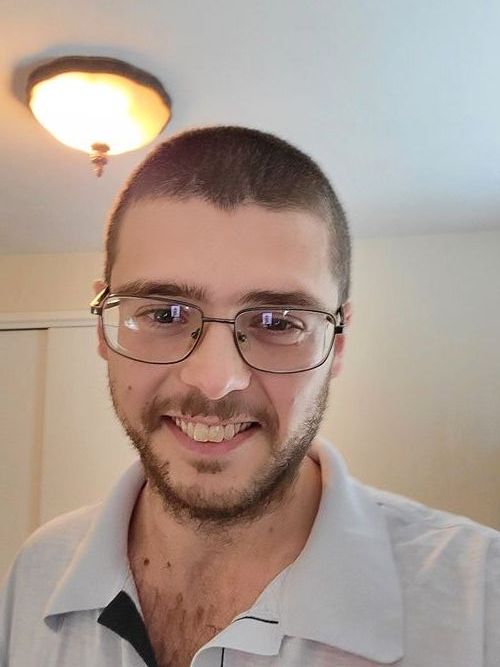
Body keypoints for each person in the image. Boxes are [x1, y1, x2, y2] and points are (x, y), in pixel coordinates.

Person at [1, 126, 498, 667]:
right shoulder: (37, 573)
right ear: (103, 327)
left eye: (277, 321)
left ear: (337, 343)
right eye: (165, 314)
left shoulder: (479, 605)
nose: (214, 380)